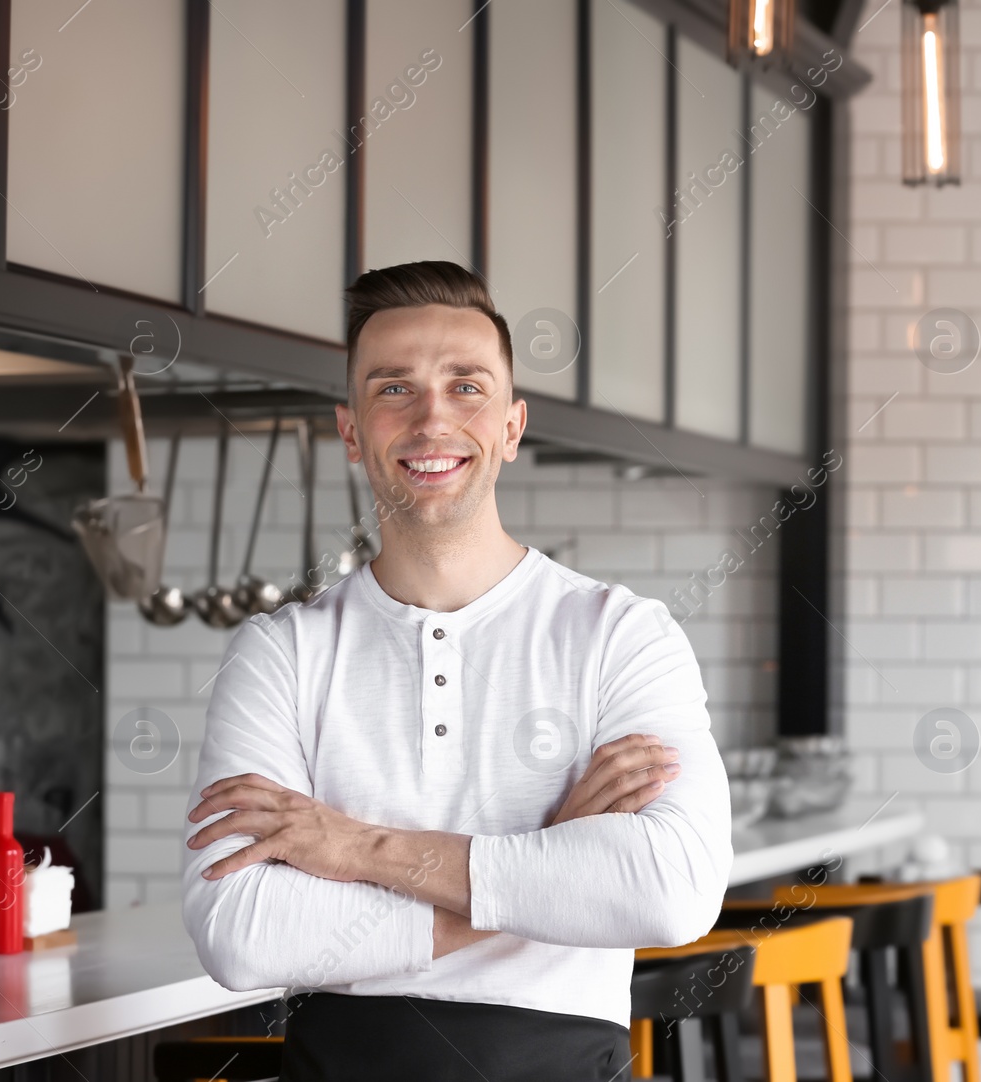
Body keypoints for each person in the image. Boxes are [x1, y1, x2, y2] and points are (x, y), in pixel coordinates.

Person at [180, 260, 733, 1082]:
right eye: (393, 389)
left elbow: (670, 889)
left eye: (466, 386)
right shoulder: (281, 653)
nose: (431, 418)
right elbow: (239, 929)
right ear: (352, 431)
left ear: (511, 427)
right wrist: (546, 860)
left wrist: (361, 848)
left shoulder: (620, 635)